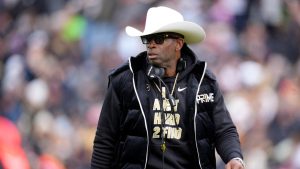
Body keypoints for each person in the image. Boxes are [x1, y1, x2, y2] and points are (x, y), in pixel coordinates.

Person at [91, 6, 245, 169]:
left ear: (178, 43)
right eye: (148, 39)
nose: (151, 45)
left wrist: (234, 157)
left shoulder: (203, 82)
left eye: (158, 39)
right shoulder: (125, 80)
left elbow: (224, 129)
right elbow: (105, 141)